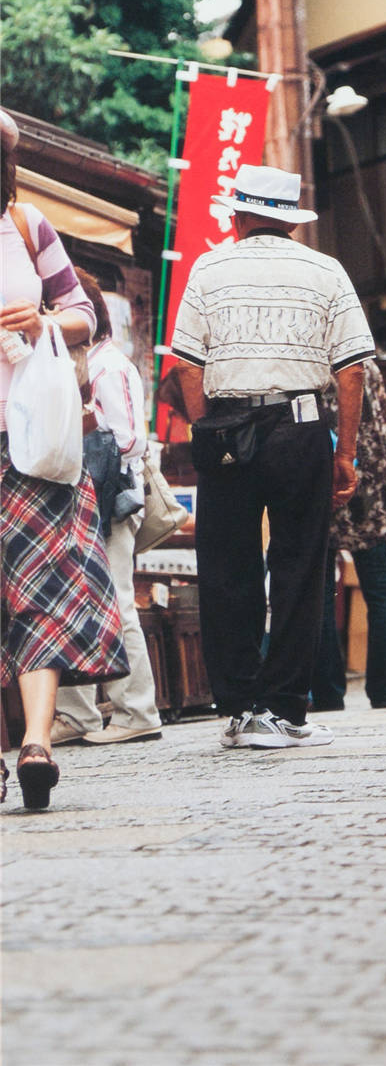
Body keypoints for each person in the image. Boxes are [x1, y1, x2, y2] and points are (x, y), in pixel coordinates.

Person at [171, 163, 374, 751]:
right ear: (288, 220)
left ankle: (237, 709)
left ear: (239, 214)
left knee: (227, 565)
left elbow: (188, 362)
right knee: (299, 566)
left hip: (229, 426)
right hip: (301, 423)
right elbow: (352, 369)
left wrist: (207, 428)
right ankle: (284, 710)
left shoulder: (209, 267)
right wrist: (348, 453)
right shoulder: (326, 270)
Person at [0, 110, 127, 809]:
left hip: (36, 443)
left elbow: (82, 310)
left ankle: (36, 744)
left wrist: (45, 320)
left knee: (40, 588)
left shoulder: (26, 226)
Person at [52, 272, 162, 746]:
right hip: (78, 496)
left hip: (108, 497)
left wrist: (83, 425)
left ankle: (137, 710)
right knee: (68, 605)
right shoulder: (74, 363)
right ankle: (77, 716)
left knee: (116, 601)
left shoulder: (107, 365)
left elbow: (130, 439)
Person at [313, 361, 386, 712]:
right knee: (381, 588)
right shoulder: (367, 367)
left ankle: (326, 691)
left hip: (320, 480)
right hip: (372, 485)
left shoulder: (308, 365)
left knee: (318, 592)